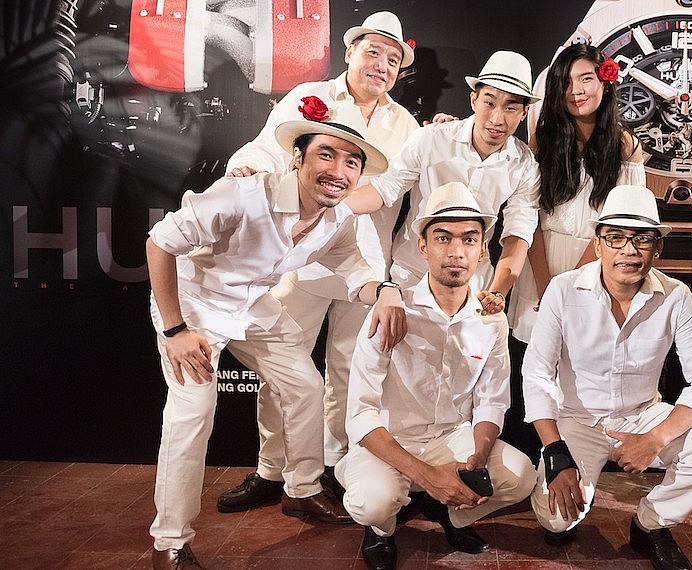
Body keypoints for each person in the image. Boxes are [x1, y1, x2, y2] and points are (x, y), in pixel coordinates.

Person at [146, 106, 405, 569]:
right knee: (193, 412)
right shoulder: (244, 195)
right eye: (326, 155)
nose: (338, 171)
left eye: (351, 162)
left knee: (305, 385)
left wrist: (386, 291)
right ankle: (169, 542)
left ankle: (302, 490)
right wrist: (176, 330)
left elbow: (355, 274)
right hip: (193, 304)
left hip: (252, 305)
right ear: (297, 159)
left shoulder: (338, 220)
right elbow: (160, 242)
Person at [217, 11, 420, 514]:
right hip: (301, 260)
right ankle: (271, 469)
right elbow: (269, 149)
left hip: (364, 264)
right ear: (350, 52)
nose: (381, 65)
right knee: (283, 369)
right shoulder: (311, 97)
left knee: (349, 372)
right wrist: (247, 169)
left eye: (392, 59)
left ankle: (326, 470)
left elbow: (410, 188)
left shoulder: (405, 123)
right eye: (373, 52)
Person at [522, 185, 692, 570]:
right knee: (556, 520)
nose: (629, 250)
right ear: (598, 244)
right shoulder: (563, 290)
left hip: (643, 416)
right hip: (577, 419)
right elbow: (537, 372)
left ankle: (650, 524)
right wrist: (555, 451)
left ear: (657, 248)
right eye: (616, 237)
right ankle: (569, 506)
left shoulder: (676, 296)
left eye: (642, 239)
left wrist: (656, 438)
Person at [338, 182, 536, 570]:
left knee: (521, 476)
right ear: (423, 247)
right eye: (443, 238)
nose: (456, 251)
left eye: (469, 239)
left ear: (483, 250)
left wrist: (476, 460)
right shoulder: (391, 310)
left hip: (451, 438)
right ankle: (381, 529)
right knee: (371, 503)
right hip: (391, 439)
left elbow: (492, 402)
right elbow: (360, 414)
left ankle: (451, 512)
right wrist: (428, 476)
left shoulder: (491, 319)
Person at [344, 50, 541, 315]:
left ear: (524, 112)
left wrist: (497, 292)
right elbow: (384, 189)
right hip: (413, 274)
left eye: (511, 107)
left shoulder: (524, 164)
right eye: (489, 102)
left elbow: (518, 235)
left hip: (475, 284)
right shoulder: (431, 139)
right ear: (473, 100)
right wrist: (326, 207)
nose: (497, 119)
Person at [510, 42, 645, 343]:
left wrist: (572, 285)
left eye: (586, 78)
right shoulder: (542, 140)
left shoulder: (625, 146)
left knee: (585, 356)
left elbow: (621, 224)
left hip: (597, 267)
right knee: (537, 357)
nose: (576, 90)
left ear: (605, 84)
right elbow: (527, 215)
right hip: (540, 263)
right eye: (566, 82)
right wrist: (545, 283)